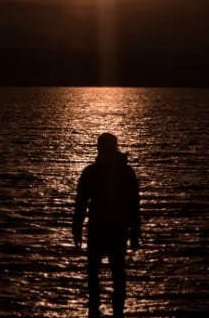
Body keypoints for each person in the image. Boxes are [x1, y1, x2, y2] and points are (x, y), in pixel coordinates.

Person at [72, 132, 141, 318]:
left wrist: (77, 229)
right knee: (115, 274)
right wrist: (135, 233)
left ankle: (100, 311)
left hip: (102, 229)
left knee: (100, 274)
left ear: (100, 148)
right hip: (113, 229)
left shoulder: (92, 172)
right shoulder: (125, 172)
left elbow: (81, 204)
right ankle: (110, 311)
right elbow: (134, 205)